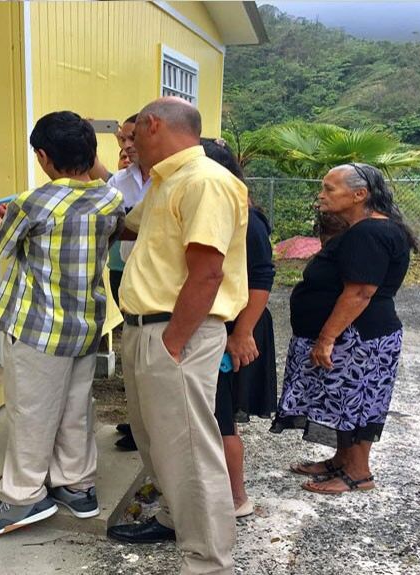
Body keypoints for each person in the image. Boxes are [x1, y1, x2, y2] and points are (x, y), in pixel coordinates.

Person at [107, 97, 249, 575]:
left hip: (176, 332)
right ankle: (171, 519)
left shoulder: (205, 181)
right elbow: (125, 229)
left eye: (131, 137)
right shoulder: (168, 182)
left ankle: (209, 562)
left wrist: (174, 342)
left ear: (152, 125)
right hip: (148, 329)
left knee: (189, 451)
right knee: (155, 442)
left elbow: (207, 273)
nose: (127, 147)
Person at [0, 111, 124, 536]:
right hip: (84, 325)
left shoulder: (31, 202)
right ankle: (76, 487)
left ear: (43, 156)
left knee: (30, 411)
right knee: (75, 407)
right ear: (90, 153)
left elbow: (4, 244)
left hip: (37, 327)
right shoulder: (110, 200)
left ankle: (23, 497)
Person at [270, 163, 420, 494]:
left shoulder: (371, 232)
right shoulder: (365, 229)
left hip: (359, 337)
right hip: (357, 335)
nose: (320, 196)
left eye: (329, 189)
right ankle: (341, 459)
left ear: (359, 194)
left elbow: (360, 292)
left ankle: (358, 473)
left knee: (358, 401)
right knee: (342, 401)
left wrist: (326, 339)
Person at [200, 138, 277, 518]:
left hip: (234, 328)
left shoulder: (247, 218)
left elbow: (262, 277)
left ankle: (235, 498)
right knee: (216, 414)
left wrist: (242, 333)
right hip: (225, 326)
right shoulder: (223, 209)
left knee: (221, 416)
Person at [106, 114, 152, 308]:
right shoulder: (118, 181)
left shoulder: (172, 179)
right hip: (123, 271)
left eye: (132, 138)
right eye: (122, 139)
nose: (126, 145)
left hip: (158, 275)